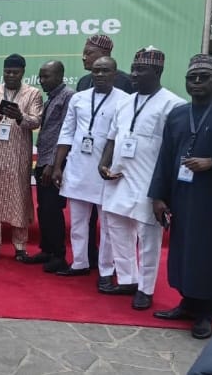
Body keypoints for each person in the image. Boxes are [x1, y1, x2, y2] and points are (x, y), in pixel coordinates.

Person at [98, 47, 185, 311]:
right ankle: (128, 279)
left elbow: (174, 151)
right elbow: (113, 136)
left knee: (149, 238)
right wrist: (103, 163)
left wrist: (164, 191)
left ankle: (145, 289)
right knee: (117, 230)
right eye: (133, 68)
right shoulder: (124, 101)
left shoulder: (174, 105)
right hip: (119, 178)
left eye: (141, 69)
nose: (133, 74)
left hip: (150, 183)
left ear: (157, 71)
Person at [149, 54, 212, 339]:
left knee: (207, 254)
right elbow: (165, 157)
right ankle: (188, 304)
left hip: (211, 198)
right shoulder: (178, 114)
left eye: (204, 77)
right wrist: (158, 196)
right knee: (183, 250)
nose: (197, 82)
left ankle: (206, 314)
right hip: (182, 195)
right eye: (192, 78)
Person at [52, 57, 128, 281]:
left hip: (105, 171)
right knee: (77, 222)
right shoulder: (78, 98)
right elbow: (67, 132)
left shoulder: (125, 100)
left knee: (107, 225)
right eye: (96, 71)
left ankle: (106, 269)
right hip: (77, 168)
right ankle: (79, 263)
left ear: (115, 73)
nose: (100, 75)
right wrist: (58, 166)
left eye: (105, 71)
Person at [0, 53, 43, 264]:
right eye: (7, 71)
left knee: (19, 199)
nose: (11, 75)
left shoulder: (33, 94)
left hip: (19, 156)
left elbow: (36, 121)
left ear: (23, 72)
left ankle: (20, 247)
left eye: (15, 72)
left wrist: (20, 117)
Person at [76, 34, 134, 270]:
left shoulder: (127, 83)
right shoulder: (82, 83)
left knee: (111, 220)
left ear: (105, 55)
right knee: (82, 219)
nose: (84, 57)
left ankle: (109, 267)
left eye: (88, 52)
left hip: (109, 165)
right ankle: (85, 261)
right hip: (83, 163)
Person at [23, 61, 74, 273]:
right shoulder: (52, 97)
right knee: (43, 209)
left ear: (60, 75)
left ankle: (58, 255)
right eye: (40, 77)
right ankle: (46, 249)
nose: (42, 81)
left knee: (53, 210)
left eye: (46, 77)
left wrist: (53, 164)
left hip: (54, 164)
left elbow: (65, 132)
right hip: (44, 160)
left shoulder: (68, 97)